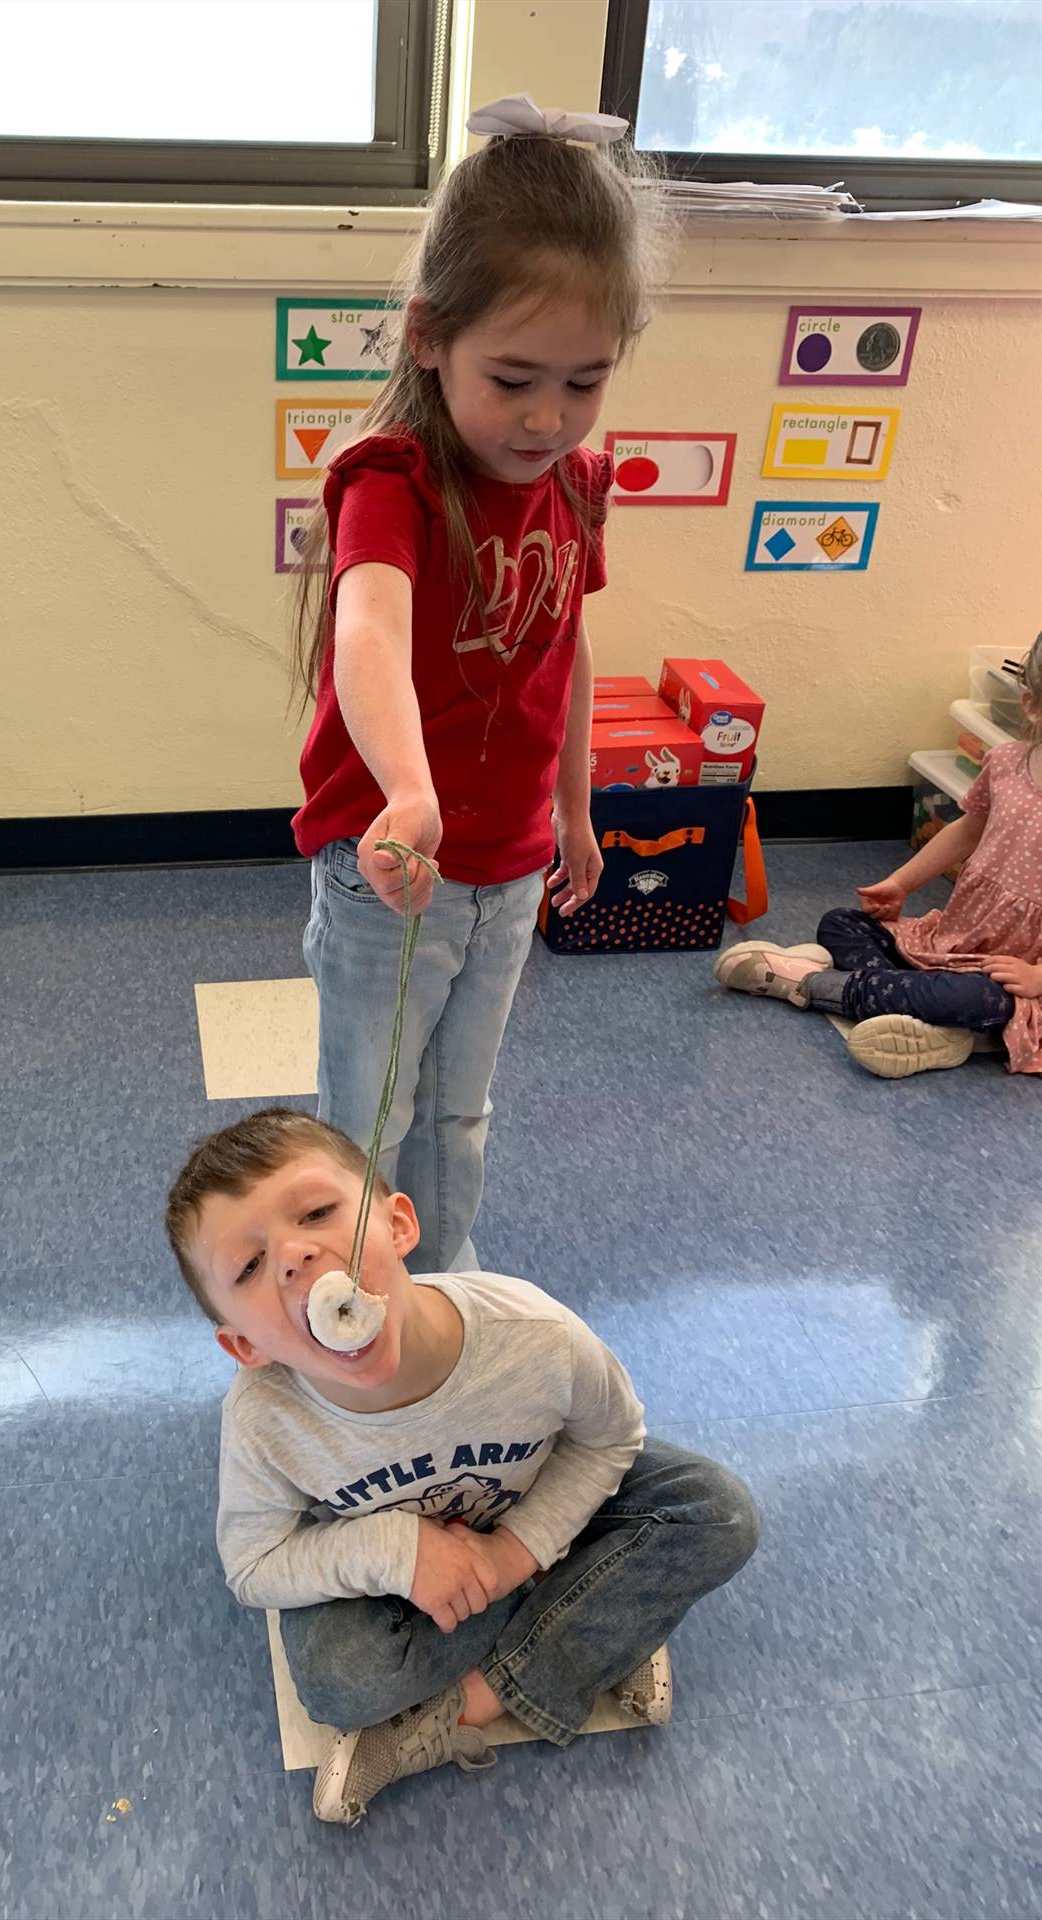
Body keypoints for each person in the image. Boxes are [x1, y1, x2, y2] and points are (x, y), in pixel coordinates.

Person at [288, 96, 670, 1272]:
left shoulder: (573, 481)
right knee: (370, 1116)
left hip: (508, 869)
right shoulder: (390, 481)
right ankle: (349, 1305)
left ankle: (441, 1296)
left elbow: (564, 648)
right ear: (427, 337)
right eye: (513, 378)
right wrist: (407, 788)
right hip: (393, 870)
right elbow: (368, 634)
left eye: (585, 382)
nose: (548, 418)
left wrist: (576, 806)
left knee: (459, 1112)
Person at [164, 1108, 759, 1827]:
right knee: (338, 1681)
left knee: (717, 1511)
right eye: (251, 1266)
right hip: (404, 1576)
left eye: (318, 1211)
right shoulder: (265, 1418)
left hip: (534, 1498)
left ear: (398, 1224)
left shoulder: (536, 1336)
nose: (293, 1256)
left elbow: (610, 1439)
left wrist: (514, 1554)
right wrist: (398, 1554)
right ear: (244, 1346)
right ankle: (606, 1620)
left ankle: (475, 1701)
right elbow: (254, 1565)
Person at [715, 635, 1042, 1079]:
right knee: (840, 923)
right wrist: (902, 883)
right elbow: (968, 829)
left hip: (1019, 983)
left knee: (975, 999)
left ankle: (811, 985)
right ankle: (942, 1027)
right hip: (957, 944)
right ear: (1032, 706)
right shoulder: (1006, 763)